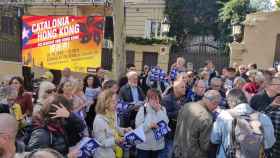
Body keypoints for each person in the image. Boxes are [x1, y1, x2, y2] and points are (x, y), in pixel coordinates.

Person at [211, 88, 275, 158]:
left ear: (230, 102)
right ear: (246, 100)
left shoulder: (224, 116)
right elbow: (269, 143)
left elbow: (214, 139)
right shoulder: (263, 117)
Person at [173, 90, 221, 158]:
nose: (216, 107)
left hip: (178, 150)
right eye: (216, 104)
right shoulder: (206, 117)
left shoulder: (187, 105)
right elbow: (205, 146)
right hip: (193, 154)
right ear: (212, 102)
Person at [92, 90, 131, 158]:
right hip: (104, 155)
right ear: (105, 103)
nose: (116, 103)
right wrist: (115, 141)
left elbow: (115, 128)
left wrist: (124, 130)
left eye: (116, 100)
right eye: (113, 101)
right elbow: (101, 142)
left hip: (115, 151)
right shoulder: (99, 120)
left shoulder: (113, 113)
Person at [135, 89, 169, 158]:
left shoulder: (162, 109)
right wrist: (148, 126)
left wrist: (159, 111)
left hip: (158, 146)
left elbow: (166, 124)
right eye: (152, 99)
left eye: (157, 98)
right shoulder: (143, 109)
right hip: (144, 147)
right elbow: (138, 128)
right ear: (148, 99)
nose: (155, 101)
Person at [159, 79, 187, 158]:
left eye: (185, 87)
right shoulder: (166, 100)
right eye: (182, 87)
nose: (185, 88)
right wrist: (179, 111)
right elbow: (164, 116)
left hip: (179, 134)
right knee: (167, 154)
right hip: (169, 135)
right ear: (176, 88)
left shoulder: (183, 98)